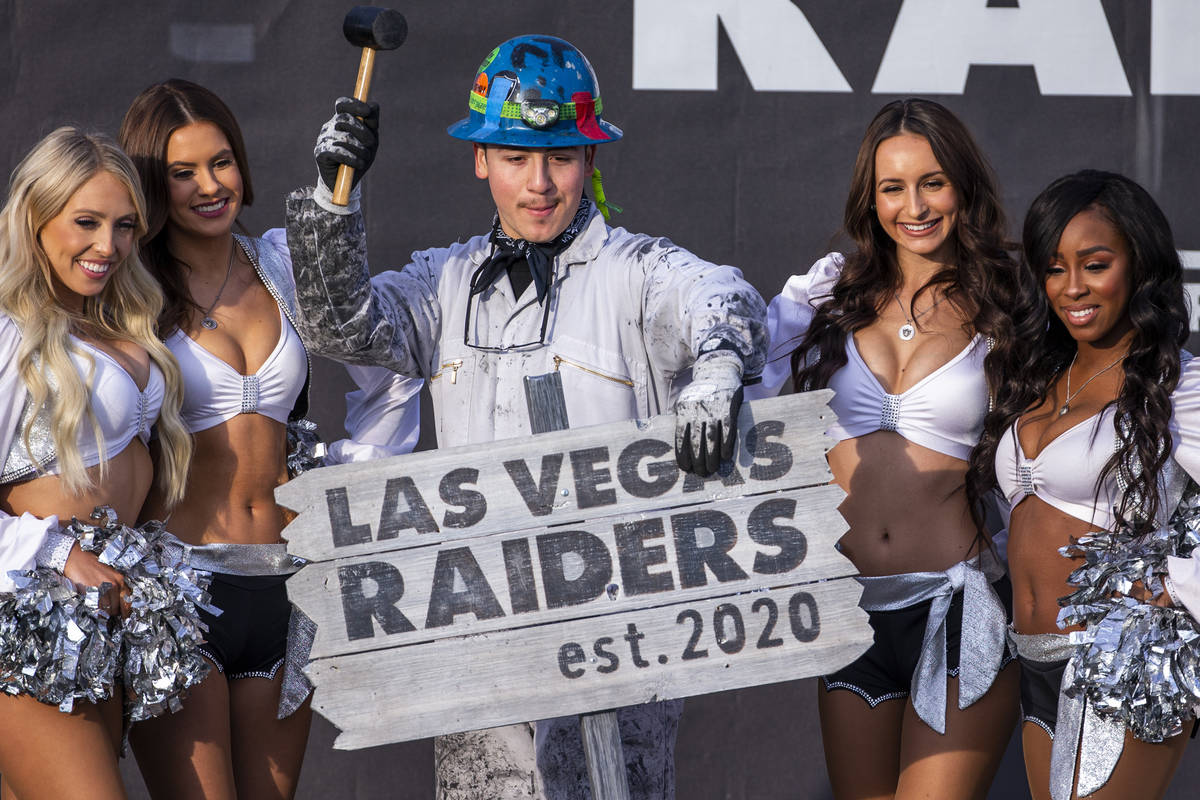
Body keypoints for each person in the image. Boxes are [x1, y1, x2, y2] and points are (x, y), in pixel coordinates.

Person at [283, 33, 767, 800]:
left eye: (560, 158)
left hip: (620, 636)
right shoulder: (443, 280)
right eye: (515, 157)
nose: (539, 183)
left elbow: (726, 298)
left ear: (590, 162)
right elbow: (341, 327)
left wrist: (715, 367)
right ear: (481, 160)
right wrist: (331, 202)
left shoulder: (635, 270)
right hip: (481, 628)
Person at [117, 78, 421, 800]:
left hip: (291, 587)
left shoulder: (283, 260)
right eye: (181, 173)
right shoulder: (127, 288)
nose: (208, 187)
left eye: (220, 162)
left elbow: (387, 365)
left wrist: (349, 476)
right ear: (152, 186)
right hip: (180, 592)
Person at [748, 98, 1020, 798]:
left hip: (957, 607)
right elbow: (739, 392)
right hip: (850, 612)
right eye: (893, 187)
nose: (915, 205)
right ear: (871, 198)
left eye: (933, 182)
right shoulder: (826, 297)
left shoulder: (1008, 305)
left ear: (962, 185)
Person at [969, 170, 1200, 800]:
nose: (1073, 287)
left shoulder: (1177, 385)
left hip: (1124, 662)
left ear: (1139, 265)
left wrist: (1172, 591)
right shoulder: (1039, 377)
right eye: (1054, 267)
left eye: (1095, 264)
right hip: (1035, 659)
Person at [0, 127, 194, 800]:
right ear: (34, 216)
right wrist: (54, 554)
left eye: (124, 226)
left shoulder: (117, 324)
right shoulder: (7, 333)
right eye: (86, 222)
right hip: (34, 611)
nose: (107, 247)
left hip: (125, 612)